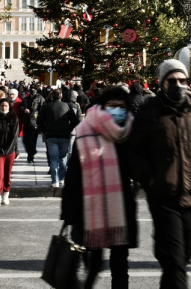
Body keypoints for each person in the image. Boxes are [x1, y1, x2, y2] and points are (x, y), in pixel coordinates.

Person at [129, 59, 191, 289]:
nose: (178, 84)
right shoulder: (149, 112)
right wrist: (150, 179)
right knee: (175, 261)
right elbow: (135, 152)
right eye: (172, 80)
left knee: (181, 257)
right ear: (162, 82)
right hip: (164, 197)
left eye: (182, 80)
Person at [61, 86, 138, 289]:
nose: (117, 111)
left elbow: (138, 168)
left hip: (120, 210)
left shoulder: (129, 133)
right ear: (103, 106)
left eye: (121, 107)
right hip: (89, 211)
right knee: (92, 266)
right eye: (112, 106)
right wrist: (69, 213)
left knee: (120, 266)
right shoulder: (86, 131)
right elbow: (73, 175)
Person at [39, 88, 80, 188]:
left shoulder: (46, 106)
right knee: (63, 157)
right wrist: (68, 129)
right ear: (61, 96)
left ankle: (55, 181)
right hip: (64, 135)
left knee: (54, 159)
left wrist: (45, 130)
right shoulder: (67, 106)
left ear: (52, 96)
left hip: (51, 136)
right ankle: (61, 178)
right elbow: (75, 120)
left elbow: (39, 121)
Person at [0, 96, 20, 207]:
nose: (4, 107)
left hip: (10, 152)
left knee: (7, 174)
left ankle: (6, 194)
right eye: (2, 105)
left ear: (9, 107)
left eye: (6, 105)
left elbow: (14, 137)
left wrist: (8, 149)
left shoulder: (13, 118)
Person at [22, 85, 46, 163]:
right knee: (25, 140)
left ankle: (30, 157)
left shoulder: (40, 98)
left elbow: (43, 110)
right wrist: (23, 110)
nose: (32, 91)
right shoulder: (25, 98)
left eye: (34, 89)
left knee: (33, 140)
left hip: (35, 122)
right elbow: (21, 107)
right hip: (26, 121)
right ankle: (31, 151)